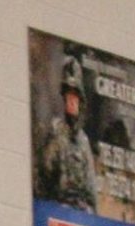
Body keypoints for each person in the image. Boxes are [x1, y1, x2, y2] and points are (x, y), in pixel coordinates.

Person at [35, 57, 97, 211]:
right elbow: (44, 179)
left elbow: (91, 188)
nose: (71, 101)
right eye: (68, 96)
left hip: (83, 211)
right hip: (61, 209)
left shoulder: (83, 140)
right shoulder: (56, 134)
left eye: (75, 96)